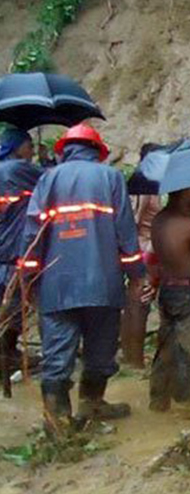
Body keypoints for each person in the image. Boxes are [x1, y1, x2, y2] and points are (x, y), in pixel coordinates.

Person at [22, 124, 147, 430]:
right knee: (101, 350)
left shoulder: (48, 179)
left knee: (57, 353)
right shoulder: (111, 177)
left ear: (64, 150)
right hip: (102, 282)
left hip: (57, 284)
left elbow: (32, 233)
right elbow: (125, 231)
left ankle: (58, 420)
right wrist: (137, 275)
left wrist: (28, 278)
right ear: (98, 151)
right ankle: (92, 404)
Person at [148, 183, 190, 417]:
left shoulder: (159, 220)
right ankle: (185, 404)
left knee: (166, 345)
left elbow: (176, 254)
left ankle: (158, 399)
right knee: (187, 350)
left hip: (168, 290)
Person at [0, 128, 42, 376]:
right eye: (29, 146)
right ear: (17, 147)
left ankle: (8, 353)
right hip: (11, 249)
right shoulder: (17, 169)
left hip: (3, 246)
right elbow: (51, 180)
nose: (32, 150)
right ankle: (6, 355)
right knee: (15, 306)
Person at [119, 143, 164, 368]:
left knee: (135, 304)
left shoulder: (144, 183)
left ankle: (131, 357)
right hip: (146, 249)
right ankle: (134, 360)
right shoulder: (146, 185)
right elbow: (135, 219)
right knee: (139, 305)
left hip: (146, 249)